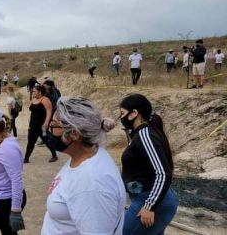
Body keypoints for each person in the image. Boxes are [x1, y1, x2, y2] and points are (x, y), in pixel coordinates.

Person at [41, 97, 125, 235]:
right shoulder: (83, 158)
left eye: (54, 125)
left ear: (74, 134)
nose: (50, 129)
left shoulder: (93, 183)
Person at [119, 94, 178, 234]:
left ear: (134, 113)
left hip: (151, 201)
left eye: (122, 113)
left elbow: (163, 173)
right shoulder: (139, 134)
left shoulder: (145, 135)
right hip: (146, 198)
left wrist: (149, 206)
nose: (120, 118)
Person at [24, 85, 58, 163]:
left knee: (47, 141)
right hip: (32, 125)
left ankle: (54, 155)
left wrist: (46, 123)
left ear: (40, 92)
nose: (33, 93)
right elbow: (32, 111)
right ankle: (26, 158)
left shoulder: (45, 100)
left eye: (34, 91)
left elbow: (49, 112)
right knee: (30, 142)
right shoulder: (34, 99)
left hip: (42, 125)